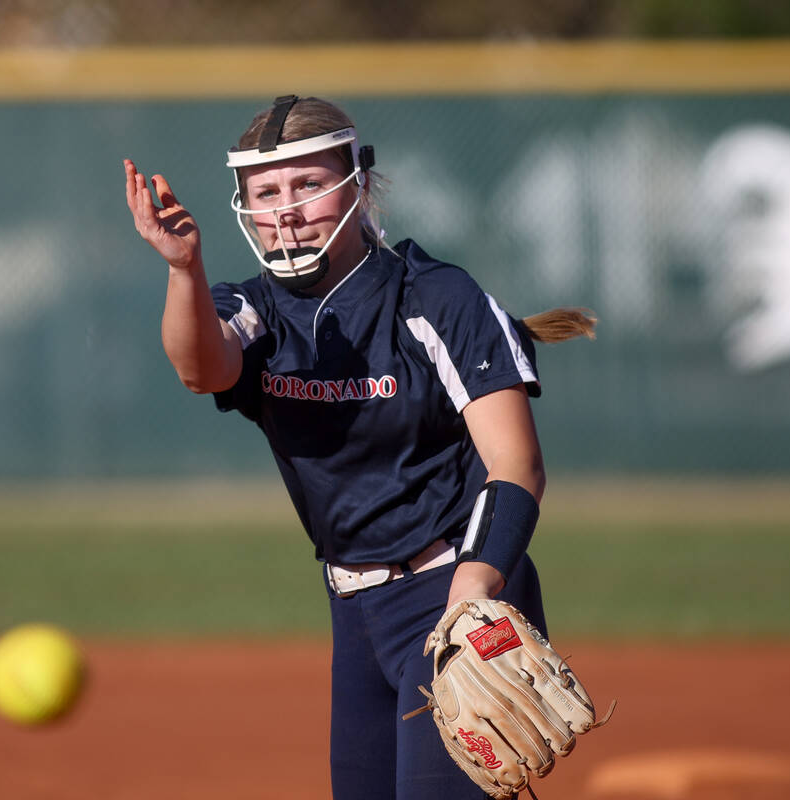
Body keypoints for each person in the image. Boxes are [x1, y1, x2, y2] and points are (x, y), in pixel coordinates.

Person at [123, 95, 595, 800]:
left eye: (308, 184)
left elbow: (517, 467)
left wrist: (472, 594)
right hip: (355, 609)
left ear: (359, 183)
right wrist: (183, 269)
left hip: (456, 590)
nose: (286, 208)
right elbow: (201, 368)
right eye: (266, 192)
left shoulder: (435, 298)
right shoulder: (255, 308)